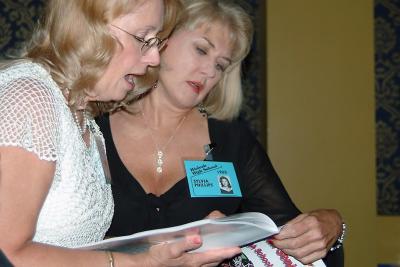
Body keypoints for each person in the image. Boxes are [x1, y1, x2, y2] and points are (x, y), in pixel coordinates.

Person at [97, 0, 345, 266]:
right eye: (201, 50)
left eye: (220, 65)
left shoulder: (233, 142)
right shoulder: (93, 124)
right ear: (162, 39)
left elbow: (293, 232)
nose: (208, 72)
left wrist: (333, 224)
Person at [0, 0, 242, 266]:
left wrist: (163, 256)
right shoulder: (30, 98)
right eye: (142, 38)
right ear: (91, 28)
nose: (154, 58)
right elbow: (8, 253)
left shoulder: (86, 122)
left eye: (155, 41)